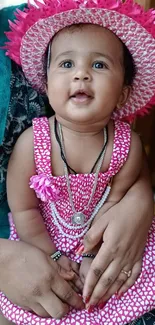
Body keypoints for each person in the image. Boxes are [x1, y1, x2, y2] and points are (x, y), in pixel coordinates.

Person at [0, 1, 155, 325]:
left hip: (100, 235)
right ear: (46, 83)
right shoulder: (32, 143)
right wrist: (52, 255)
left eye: (99, 66)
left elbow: (116, 202)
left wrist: (91, 254)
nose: (81, 73)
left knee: (120, 282)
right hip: (40, 236)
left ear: (123, 94)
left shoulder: (128, 145)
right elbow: (24, 209)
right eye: (66, 64)